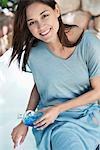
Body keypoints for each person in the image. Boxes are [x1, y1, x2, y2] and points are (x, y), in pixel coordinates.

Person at [10, 0, 100, 149]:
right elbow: (41, 85)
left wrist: (58, 108)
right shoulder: (34, 53)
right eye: (32, 22)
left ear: (56, 11)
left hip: (88, 117)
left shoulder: (88, 43)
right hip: (57, 123)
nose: (41, 27)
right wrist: (25, 121)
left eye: (44, 15)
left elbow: (98, 91)